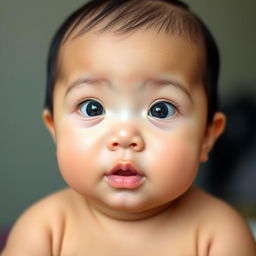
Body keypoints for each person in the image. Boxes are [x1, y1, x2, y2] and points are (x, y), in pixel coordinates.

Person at [2, 0, 256, 255]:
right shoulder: (44, 229)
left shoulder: (219, 232)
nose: (124, 137)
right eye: (93, 108)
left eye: (161, 110)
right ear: (55, 128)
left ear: (206, 136)